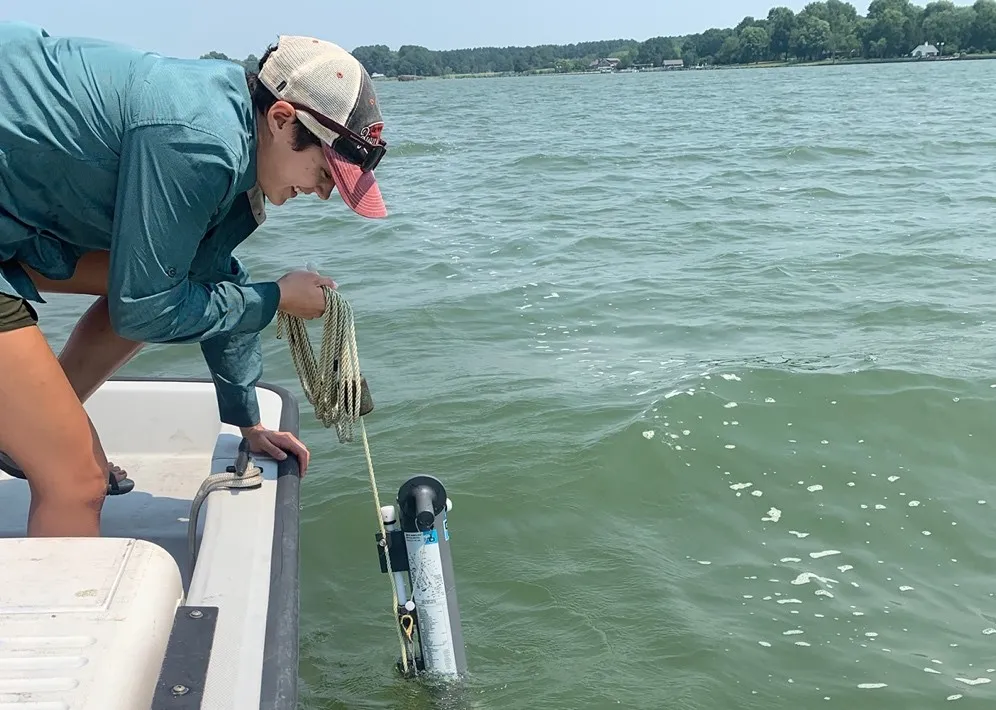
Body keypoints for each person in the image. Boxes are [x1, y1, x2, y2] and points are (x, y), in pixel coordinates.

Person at [0, 23, 389, 537]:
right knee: (77, 480)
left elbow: (203, 279)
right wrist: (274, 300)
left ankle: (24, 430)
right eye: (324, 174)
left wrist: (246, 419)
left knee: (162, 280)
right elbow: (147, 309)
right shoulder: (197, 143)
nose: (322, 195)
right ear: (280, 118)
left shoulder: (233, 131)